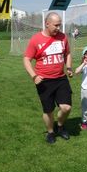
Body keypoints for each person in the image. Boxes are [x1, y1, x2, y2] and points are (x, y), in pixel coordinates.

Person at [23, 12, 73, 144]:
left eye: (60, 25)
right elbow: (26, 59)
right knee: (48, 110)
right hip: (44, 81)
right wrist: (34, 76)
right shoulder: (36, 39)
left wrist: (68, 67)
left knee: (66, 107)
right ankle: (51, 132)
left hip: (61, 78)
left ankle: (60, 126)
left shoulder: (63, 37)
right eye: (56, 25)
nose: (58, 28)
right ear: (47, 23)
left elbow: (67, 53)